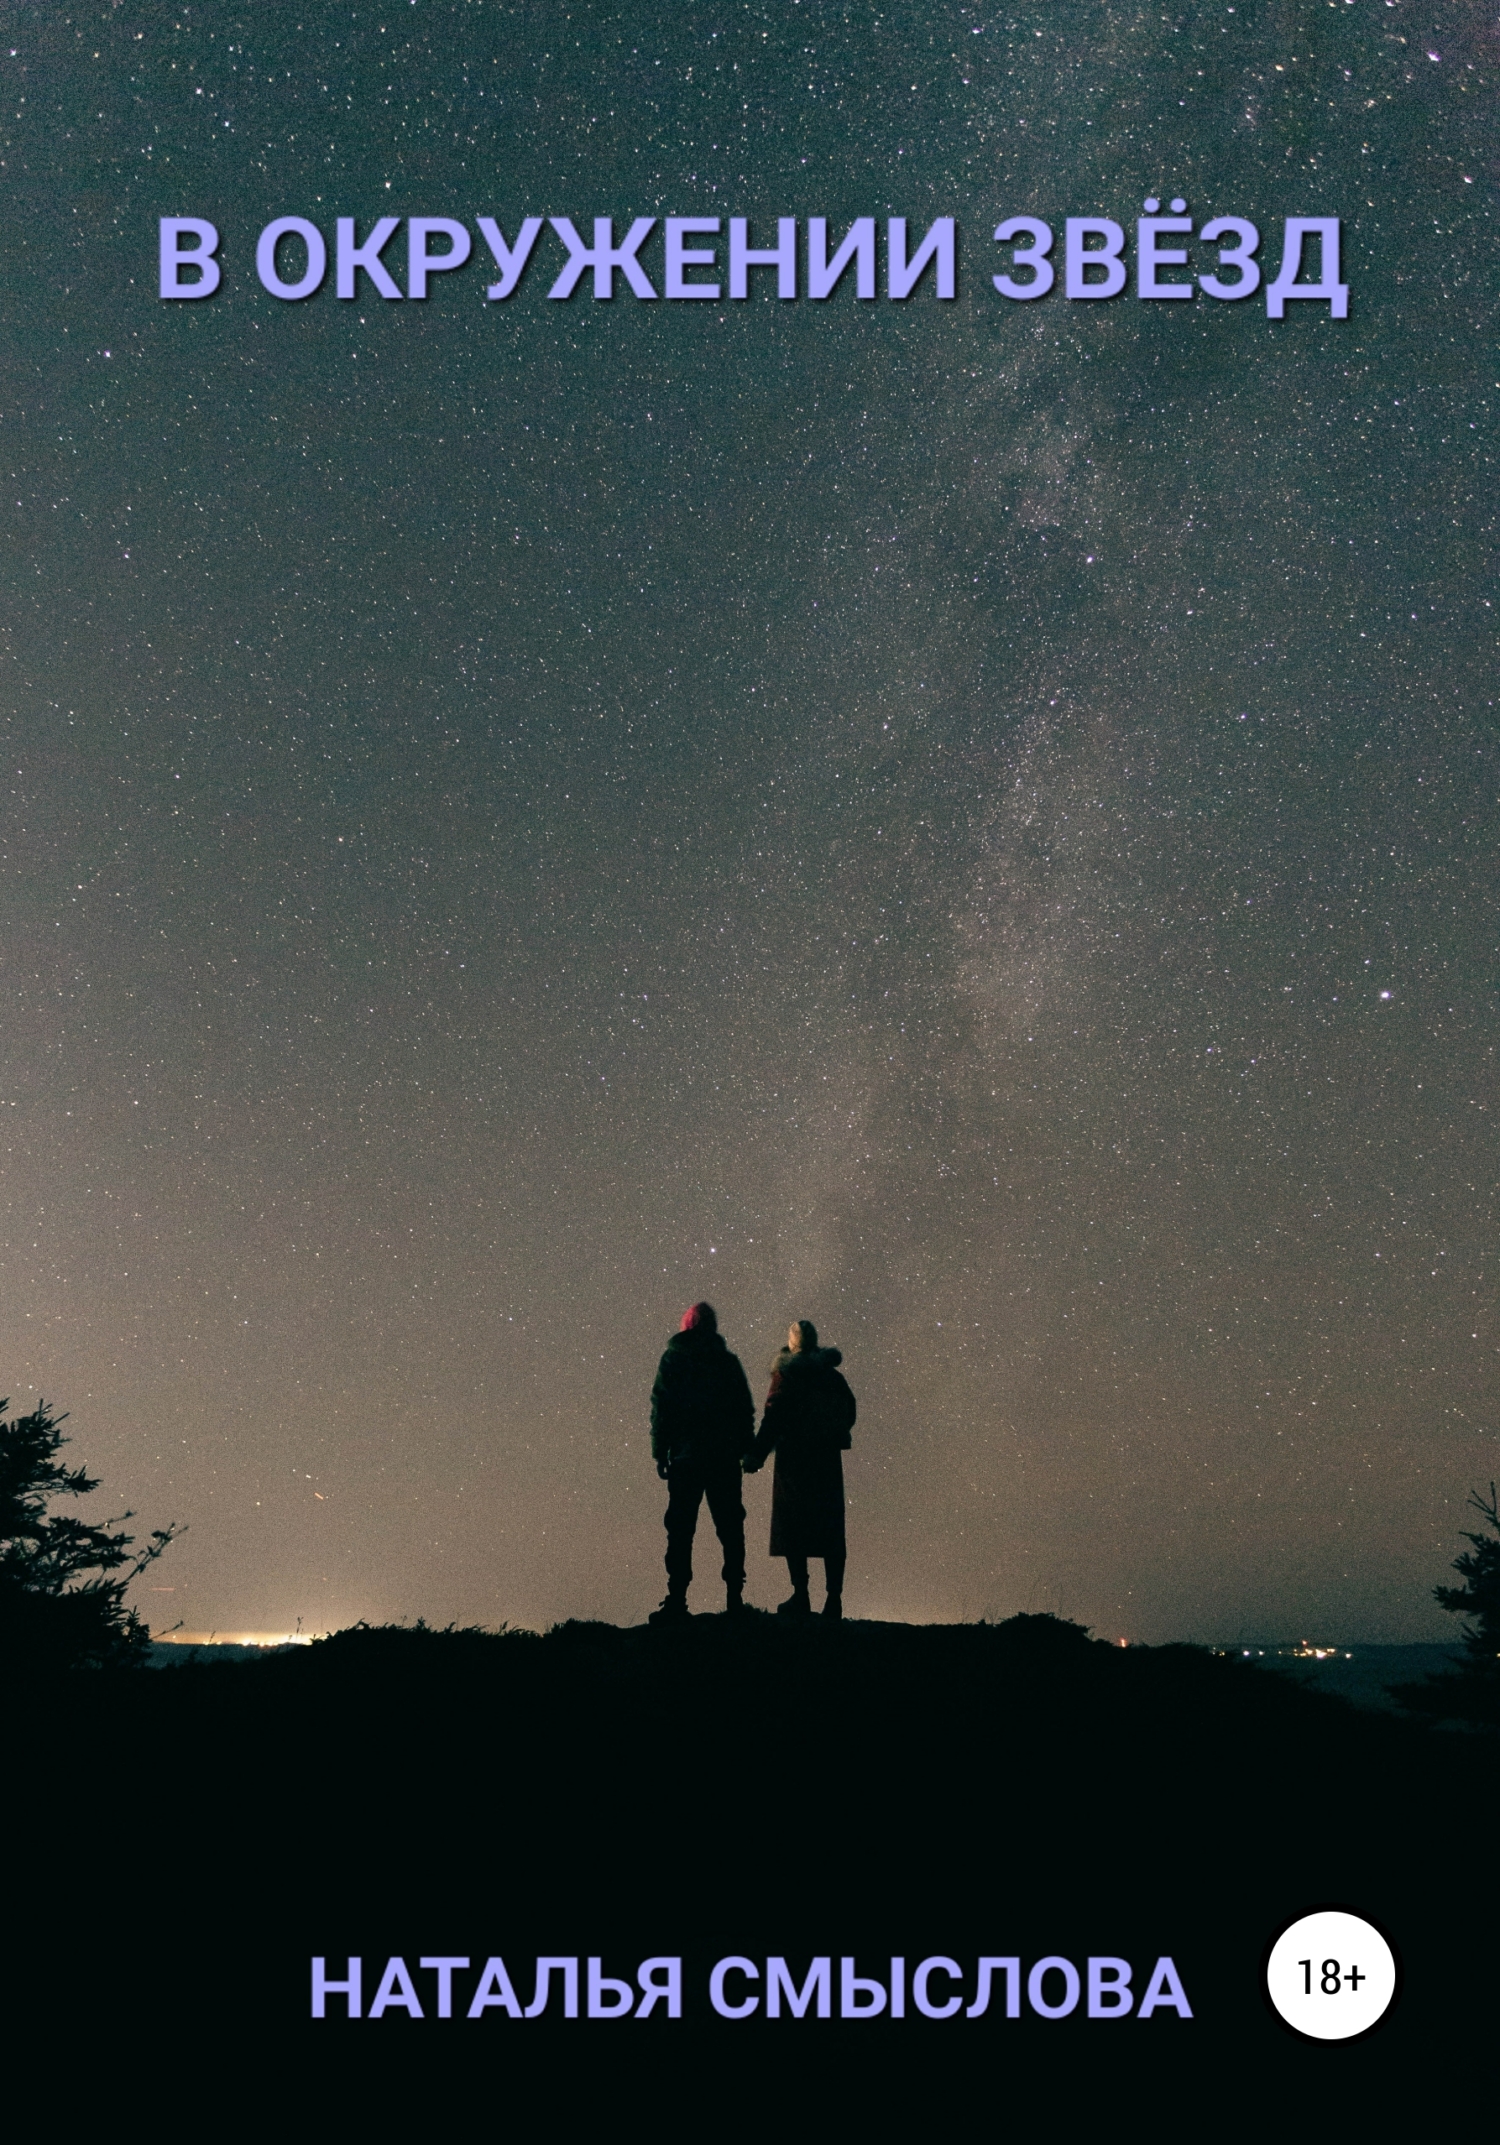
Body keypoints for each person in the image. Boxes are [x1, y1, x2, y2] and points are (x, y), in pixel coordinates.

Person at [648, 1302, 755, 1621]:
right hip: (723, 1457)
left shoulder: (674, 1360)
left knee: (680, 1530)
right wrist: (745, 1449)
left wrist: (659, 1451)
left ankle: (677, 1600)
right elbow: (744, 1409)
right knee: (731, 1527)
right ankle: (735, 1599)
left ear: (687, 1325)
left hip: (686, 1456)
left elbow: (661, 1408)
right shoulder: (727, 1362)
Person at [745, 1319, 856, 1620]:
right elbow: (849, 1411)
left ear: (792, 1343)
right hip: (827, 1462)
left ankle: (801, 1596)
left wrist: (755, 1455)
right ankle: (834, 1600)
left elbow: (773, 1418)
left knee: (794, 1527)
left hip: (794, 1463)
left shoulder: (787, 1375)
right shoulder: (832, 1378)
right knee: (830, 1529)